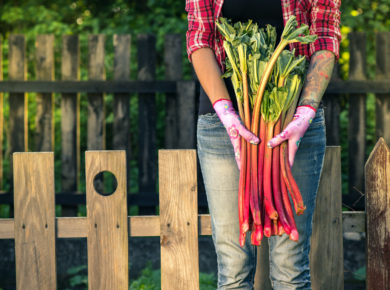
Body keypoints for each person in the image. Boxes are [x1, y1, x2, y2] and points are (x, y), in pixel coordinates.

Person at [186, 0, 341, 289]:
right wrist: (226, 111)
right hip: (222, 121)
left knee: (291, 272)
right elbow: (199, 38)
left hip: (295, 113)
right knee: (233, 272)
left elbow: (325, 36)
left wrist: (306, 111)